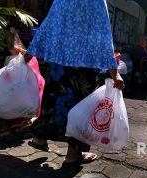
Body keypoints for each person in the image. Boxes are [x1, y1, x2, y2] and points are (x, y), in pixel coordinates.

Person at [23, 0, 124, 166]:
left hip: (59, 63)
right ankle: (73, 154)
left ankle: (39, 138)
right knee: (81, 109)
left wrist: (28, 55)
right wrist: (115, 73)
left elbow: (47, 26)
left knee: (54, 101)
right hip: (84, 67)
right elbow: (103, 36)